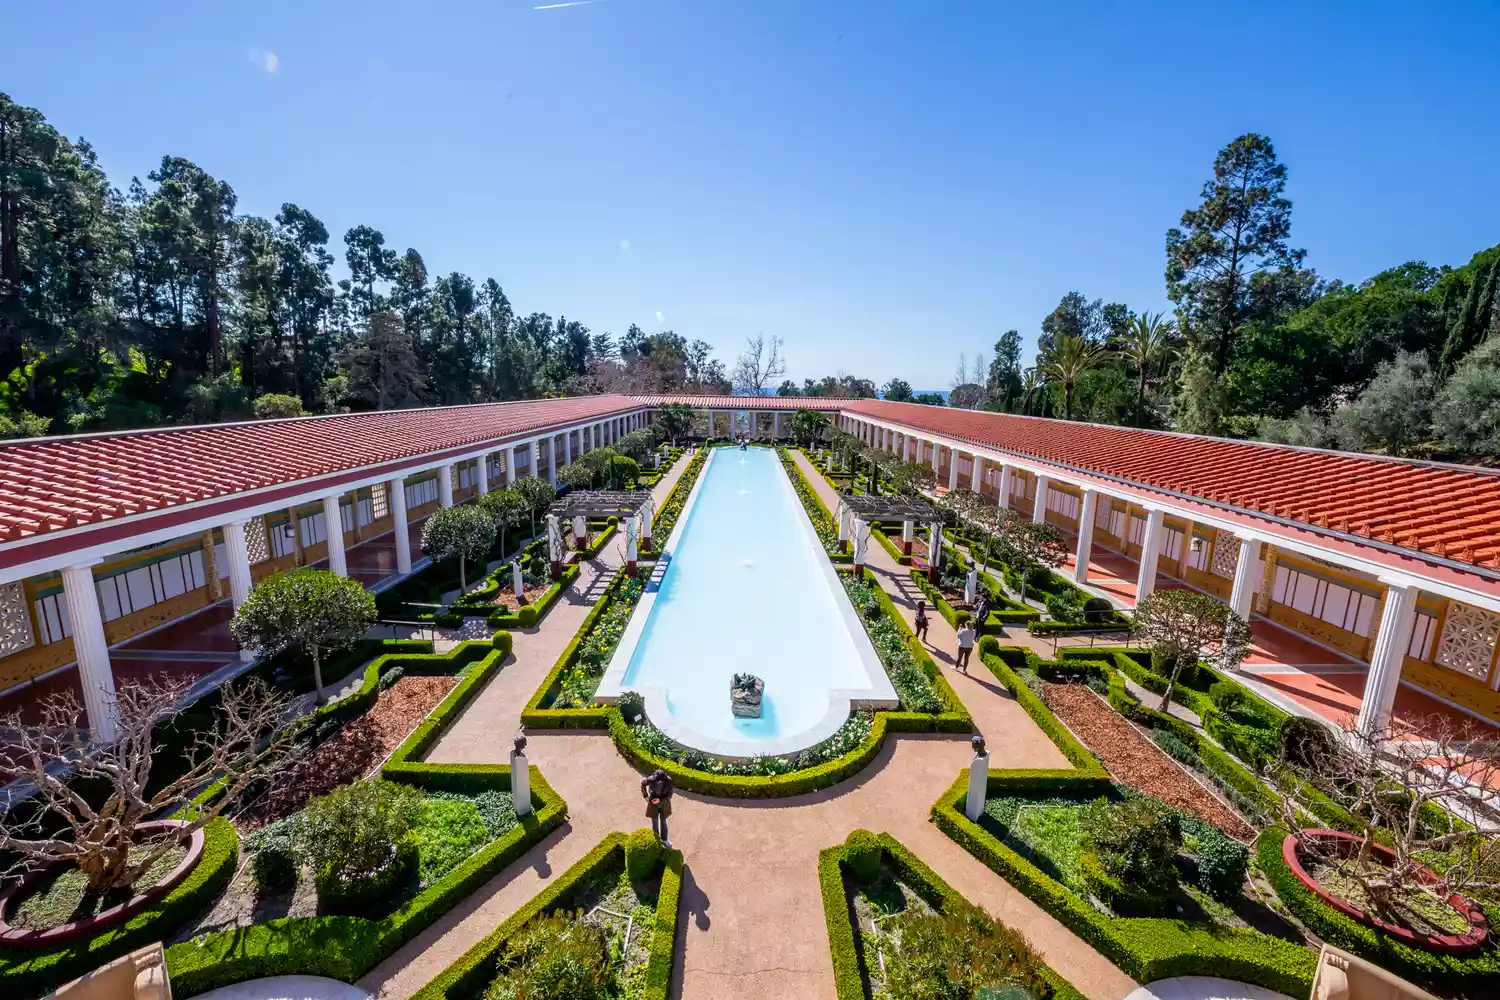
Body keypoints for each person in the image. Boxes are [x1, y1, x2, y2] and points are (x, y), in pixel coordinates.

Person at [641, 768, 675, 847]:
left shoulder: (669, 780)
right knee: (655, 822)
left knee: (663, 822)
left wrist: (660, 800)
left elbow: (669, 795)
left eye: (661, 781)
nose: (659, 782)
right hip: (653, 804)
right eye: (657, 780)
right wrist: (646, 796)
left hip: (664, 804)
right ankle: (657, 841)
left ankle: (665, 840)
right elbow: (643, 784)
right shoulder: (652, 779)